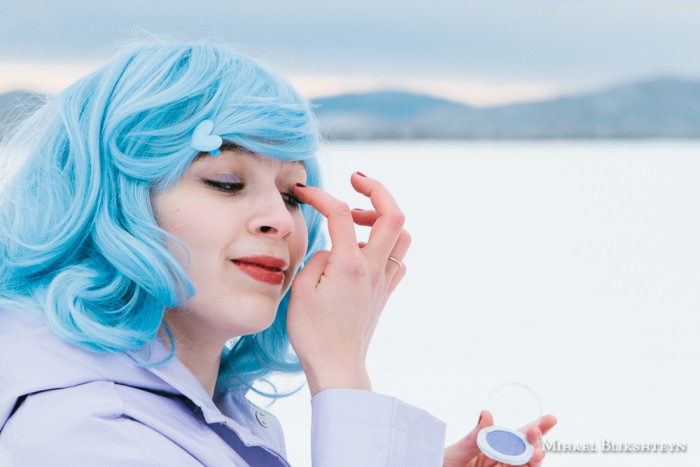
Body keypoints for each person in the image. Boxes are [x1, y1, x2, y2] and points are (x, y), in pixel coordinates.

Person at [0, 41, 555, 466]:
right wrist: (340, 371)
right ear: (108, 201)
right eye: (225, 180)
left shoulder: (213, 415)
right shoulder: (83, 435)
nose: (280, 220)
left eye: (293, 193)